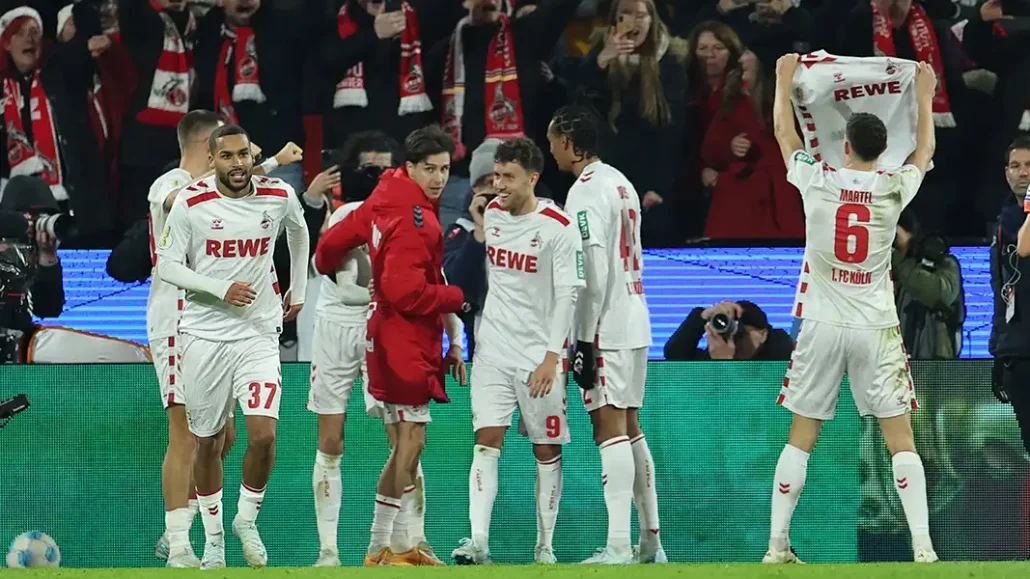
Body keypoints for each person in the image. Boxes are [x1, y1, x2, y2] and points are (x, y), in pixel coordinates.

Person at [765, 54, 938, 564]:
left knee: (802, 435)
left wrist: (781, 81)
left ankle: (777, 545)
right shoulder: (893, 186)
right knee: (899, 438)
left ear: (844, 146)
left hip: (820, 322)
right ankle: (924, 549)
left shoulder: (815, 180)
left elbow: (784, 133)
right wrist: (923, 97)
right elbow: (924, 150)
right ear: (884, 149)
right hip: (875, 325)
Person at [155, 124, 310, 570]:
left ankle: (247, 519)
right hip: (203, 335)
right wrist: (219, 288)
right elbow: (168, 265)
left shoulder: (277, 195)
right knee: (207, 443)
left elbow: (299, 233)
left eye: (244, 155)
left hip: (257, 332)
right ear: (212, 157)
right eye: (228, 157)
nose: (238, 164)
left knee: (263, 435)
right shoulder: (191, 201)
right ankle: (215, 540)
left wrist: (297, 290)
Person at [314, 125, 469, 566]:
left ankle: (395, 546)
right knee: (409, 441)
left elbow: (329, 248)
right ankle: (381, 544)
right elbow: (406, 292)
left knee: (409, 440)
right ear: (410, 167)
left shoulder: (386, 196)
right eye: (430, 169)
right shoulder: (413, 217)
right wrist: (460, 298)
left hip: (390, 332)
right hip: (401, 336)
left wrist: (329, 266)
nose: (439, 178)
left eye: (444, 169)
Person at [449, 138, 583, 566]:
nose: (499, 186)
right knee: (486, 442)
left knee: (545, 448)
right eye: (495, 177)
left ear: (532, 178)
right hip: (492, 348)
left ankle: (545, 548)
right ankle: (478, 542)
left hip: (537, 355)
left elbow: (568, 296)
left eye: (508, 177)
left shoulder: (558, 227)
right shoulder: (492, 214)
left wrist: (552, 356)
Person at [547, 104, 664, 565]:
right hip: (635, 315)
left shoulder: (584, 192)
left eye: (555, 140)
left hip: (607, 323)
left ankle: (618, 546)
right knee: (631, 428)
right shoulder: (622, 182)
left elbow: (591, 268)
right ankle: (649, 543)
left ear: (573, 145)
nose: (550, 148)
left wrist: (584, 337)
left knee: (608, 428)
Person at [148, 110, 236, 568]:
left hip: (215, 324)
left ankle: (174, 533)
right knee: (184, 433)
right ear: (208, 148)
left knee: (220, 439)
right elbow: (172, 202)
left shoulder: (219, 196)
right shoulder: (170, 182)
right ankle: (180, 545)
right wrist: (270, 163)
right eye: (225, 151)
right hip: (178, 322)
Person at [992, 136, 1030, 452]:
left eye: (1029, 166)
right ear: (1006, 173)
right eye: (1016, 166)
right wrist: (999, 350)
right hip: (1018, 350)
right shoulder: (1003, 221)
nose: (1023, 173)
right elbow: (1000, 288)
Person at [663, 300, 794, 361]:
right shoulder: (718, 351)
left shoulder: (779, 358)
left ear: (763, 335)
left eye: (741, 335)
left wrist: (725, 366)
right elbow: (674, 353)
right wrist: (703, 316)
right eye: (729, 334)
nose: (735, 342)